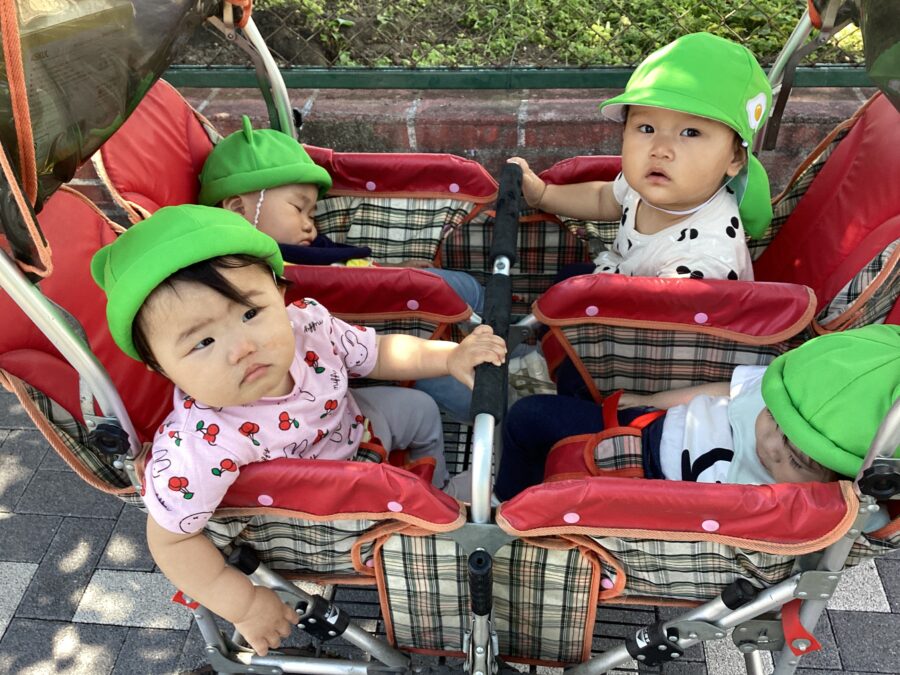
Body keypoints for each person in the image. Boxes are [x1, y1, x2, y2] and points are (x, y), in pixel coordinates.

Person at [90, 204, 507, 655]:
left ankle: (440, 491)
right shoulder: (199, 444)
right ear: (160, 367)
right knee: (414, 483)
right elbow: (170, 540)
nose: (243, 347)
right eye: (204, 341)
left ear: (279, 292)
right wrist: (245, 604)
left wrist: (449, 357)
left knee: (420, 408)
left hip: (353, 427)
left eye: (250, 313)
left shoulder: (307, 326)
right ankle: (441, 514)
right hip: (326, 509)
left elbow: (379, 352)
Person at [198, 117, 484, 424]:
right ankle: (500, 394)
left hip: (396, 307)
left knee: (465, 288)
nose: (310, 225)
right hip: (381, 336)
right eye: (298, 209)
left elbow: (346, 266)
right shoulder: (256, 273)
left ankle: (504, 341)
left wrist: (391, 269)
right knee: (445, 369)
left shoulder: (309, 250)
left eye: (312, 215)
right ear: (239, 210)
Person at [494, 324, 900, 502]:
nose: (769, 444)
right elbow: (721, 391)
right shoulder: (791, 391)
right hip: (650, 423)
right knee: (561, 391)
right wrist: (652, 398)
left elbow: (862, 516)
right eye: (773, 418)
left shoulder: (793, 502)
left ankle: (505, 503)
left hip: (646, 478)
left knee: (529, 418)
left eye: (796, 459)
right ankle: (518, 475)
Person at [509, 31, 774, 282]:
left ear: (734, 159)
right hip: (622, 276)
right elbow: (603, 198)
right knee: (566, 278)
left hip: (666, 309)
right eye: (647, 128)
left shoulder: (706, 261)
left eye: (691, 132)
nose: (660, 149)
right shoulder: (651, 180)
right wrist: (543, 195)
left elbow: (665, 314)